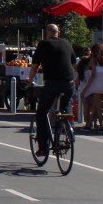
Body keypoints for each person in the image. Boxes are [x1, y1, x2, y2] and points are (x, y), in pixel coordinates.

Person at [27, 24, 77, 154]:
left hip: (53, 83)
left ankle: (43, 147)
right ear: (58, 32)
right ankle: (69, 131)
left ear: (47, 33)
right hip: (69, 82)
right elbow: (73, 62)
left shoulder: (44, 44)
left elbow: (35, 66)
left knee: (42, 113)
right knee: (66, 108)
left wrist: (30, 80)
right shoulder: (66, 43)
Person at [78, 43, 103, 131]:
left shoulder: (94, 61)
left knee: (98, 106)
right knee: (95, 106)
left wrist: (85, 89)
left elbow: (93, 75)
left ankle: (101, 125)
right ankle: (90, 124)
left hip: (96, 85)